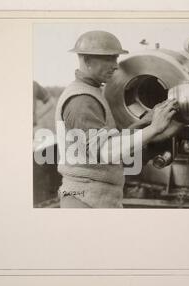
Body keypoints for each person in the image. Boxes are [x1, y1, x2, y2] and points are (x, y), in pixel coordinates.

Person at [55, 30, 181, 208]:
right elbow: (105, 151)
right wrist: (154, 129)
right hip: (85, 200)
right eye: (109, 59)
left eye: (115, 58)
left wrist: (145, 121)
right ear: (87, 60)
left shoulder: (91, 91)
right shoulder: (81, 100)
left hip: (95, 195)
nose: (116, 66)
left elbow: (108, 140)